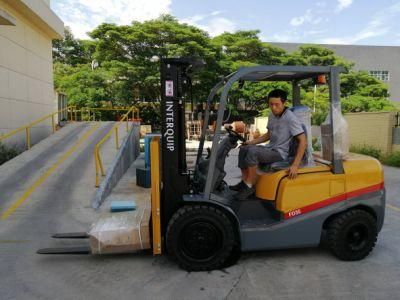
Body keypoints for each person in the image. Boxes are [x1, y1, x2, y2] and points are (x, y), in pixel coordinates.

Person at [230, 89, 307, 200]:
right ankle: (244, 182)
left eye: (277, 104)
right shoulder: (272, 115)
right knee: (244, 149)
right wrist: (250, 142)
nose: (273, 107)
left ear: (284, 103)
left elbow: (303, 141)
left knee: (253, 152)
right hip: (270, 149)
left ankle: (249, 186)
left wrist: (295, 165)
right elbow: (268, 135)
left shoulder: (290, 118)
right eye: (271, 104)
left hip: (280, 153)